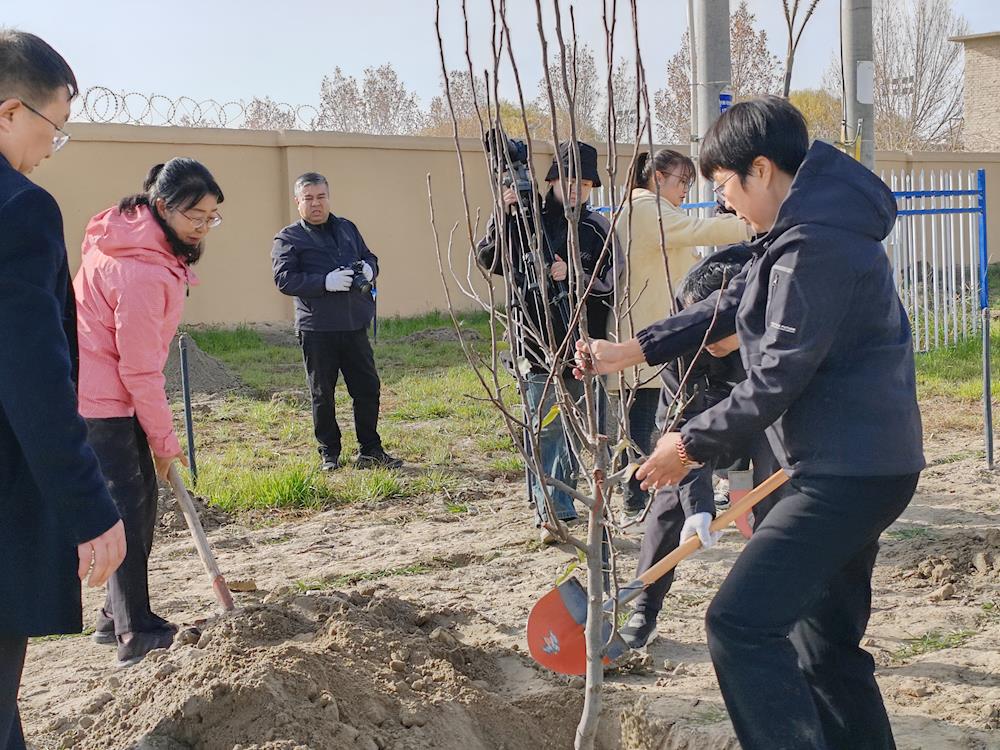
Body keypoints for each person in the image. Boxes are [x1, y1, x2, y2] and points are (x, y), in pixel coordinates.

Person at [576, 96, 924, 749]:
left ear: (760, 170)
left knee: (739, 623)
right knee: (823, 649)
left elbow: (776, 377)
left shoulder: (814, 247)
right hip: (861, 463)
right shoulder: (801, 236)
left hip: (842, 473)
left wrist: (688, 443)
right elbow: (730, 304)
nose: (724, 204)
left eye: (725, 186)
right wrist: (630, 350)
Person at [0, 30, 125, 746]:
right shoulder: (19, 209)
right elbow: (33, 377)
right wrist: (90, 508)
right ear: (10, 112)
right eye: (55, 127)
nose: (54, 144)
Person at [74, 157, 224, 667]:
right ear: (161, 207)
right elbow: (140, 370)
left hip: (108, 392)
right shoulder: (140, 271)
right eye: (194, 217)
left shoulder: (127, 237)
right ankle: (134, 631)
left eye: (211, 217)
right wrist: (164, 441)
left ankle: (115, 616)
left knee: (136, 507)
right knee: (128, 511)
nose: (203, 228)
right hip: (105, 402)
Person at [620, 248, 785, 649]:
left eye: (715, 330)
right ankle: (644, 607)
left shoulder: (772, 336)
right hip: (705, 423)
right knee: (669, 499)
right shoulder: (688, 345)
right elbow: (677, 426)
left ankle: (777, 609)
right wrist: (699, 506)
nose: (706, 341)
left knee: (777, 506)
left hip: (769, 420)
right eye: (699, 330)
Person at [477, 141, 615, 542]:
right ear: (552, 179)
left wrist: (571, 273)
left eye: (586, 183)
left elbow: (610, 282)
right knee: (544, 427)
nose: (577, 189)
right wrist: (503, 214)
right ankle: (551, 512)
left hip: (582, 343)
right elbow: (490, 259)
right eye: (569, 180)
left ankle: (555, 503)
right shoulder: (524, 219)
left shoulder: (596, 228)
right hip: (533, 342)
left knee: (575, 429)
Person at [610, 149, 749, 525]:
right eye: (681, 180)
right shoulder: (645, 208)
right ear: (656, 177)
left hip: (657, 330)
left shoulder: (647, 209)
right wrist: (749, 224)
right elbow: (695, 232)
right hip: (657, 331)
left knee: (653, 419)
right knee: (659, 420)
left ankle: (643, 493)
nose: (686, 189)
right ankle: (640, 494)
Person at [272, 172, 401, 471]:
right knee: (322, 393)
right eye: (308, 198)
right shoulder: (288, 238)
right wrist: (324, 282)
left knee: (367, 388)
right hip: (317, 328)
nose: (315, 204)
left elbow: (370, 256)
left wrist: (369, 269)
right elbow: (283, 279)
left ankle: (370, 450)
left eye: (320, 197)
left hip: (355, 324)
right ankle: (329, 452)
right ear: (298, 201)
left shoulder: (347, 228)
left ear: (328, 197)